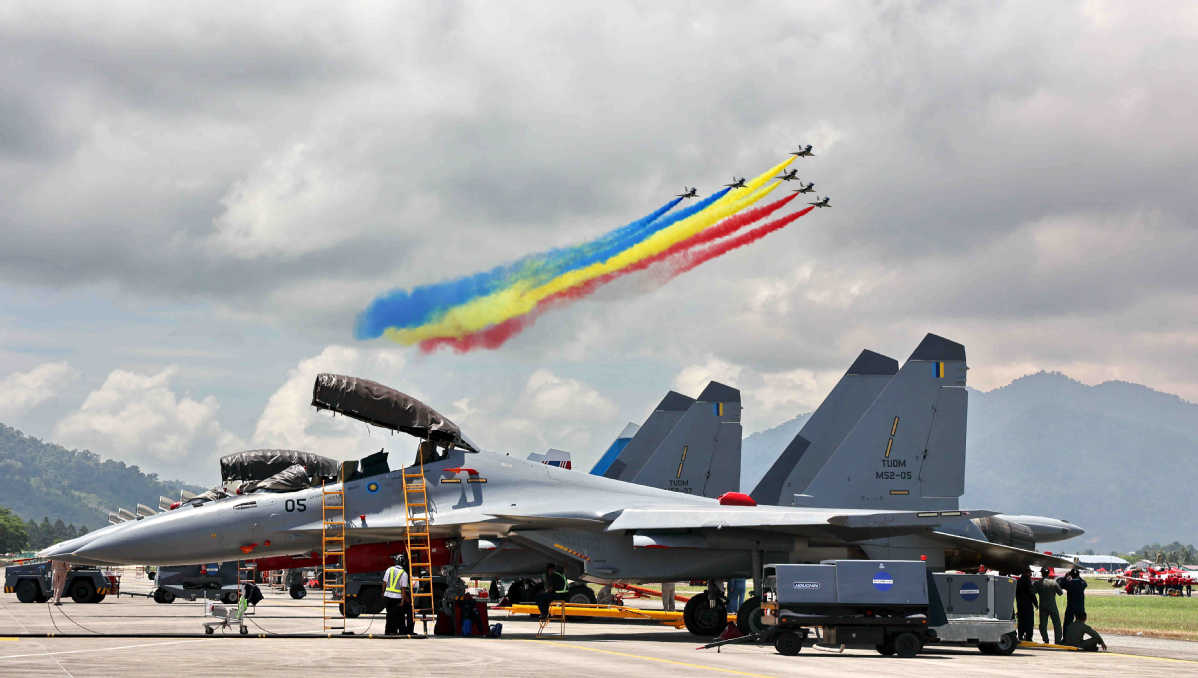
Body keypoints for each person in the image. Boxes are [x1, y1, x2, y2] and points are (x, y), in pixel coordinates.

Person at [382, 554, 411, 635]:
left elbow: (384, 582)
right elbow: (403, 589)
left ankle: (389, 631)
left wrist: (383, 592)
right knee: (399, 615)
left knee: (389, 614)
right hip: (397, 598)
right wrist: (403, 600)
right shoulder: (404, 573)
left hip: (387, 596)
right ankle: (399, 631)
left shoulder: (389, 569)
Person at [1034, 566, 1063, 644]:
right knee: (1057, 624)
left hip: (1043, 606)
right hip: (1052, 605)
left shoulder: (1038, 583)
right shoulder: (1053, 582)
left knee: (1043, 625)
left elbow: (1033, 592)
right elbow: (1060, 593)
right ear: (1048, 573)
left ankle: (1046, 640)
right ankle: (1058, 640)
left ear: (1042, 573)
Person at [1058, 567, 1087, 633]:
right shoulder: (1081, 584)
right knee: (1080, 623)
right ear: (1078, 575)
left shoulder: (1069, 583)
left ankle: (1066, 637)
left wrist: (1065, 577)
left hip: (1070, 606)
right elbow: (1085, 583)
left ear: (1071, 575)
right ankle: (1079, 636)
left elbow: (1061, 584)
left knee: (1067, 623)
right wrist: (1079, 577)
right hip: (1080, 606)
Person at [1016, 566, 1038, 642]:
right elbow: (1031, 593)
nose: (1031, 574)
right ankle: (1028, 637)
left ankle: (1020, 636)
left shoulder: (1018, 581)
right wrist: (1036, 603)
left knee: (1021, 621)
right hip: (1027, 605)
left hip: (1020, 605)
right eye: (1029, 573)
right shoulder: (1028, 581)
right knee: (1029, 621)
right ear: (1026, 573)